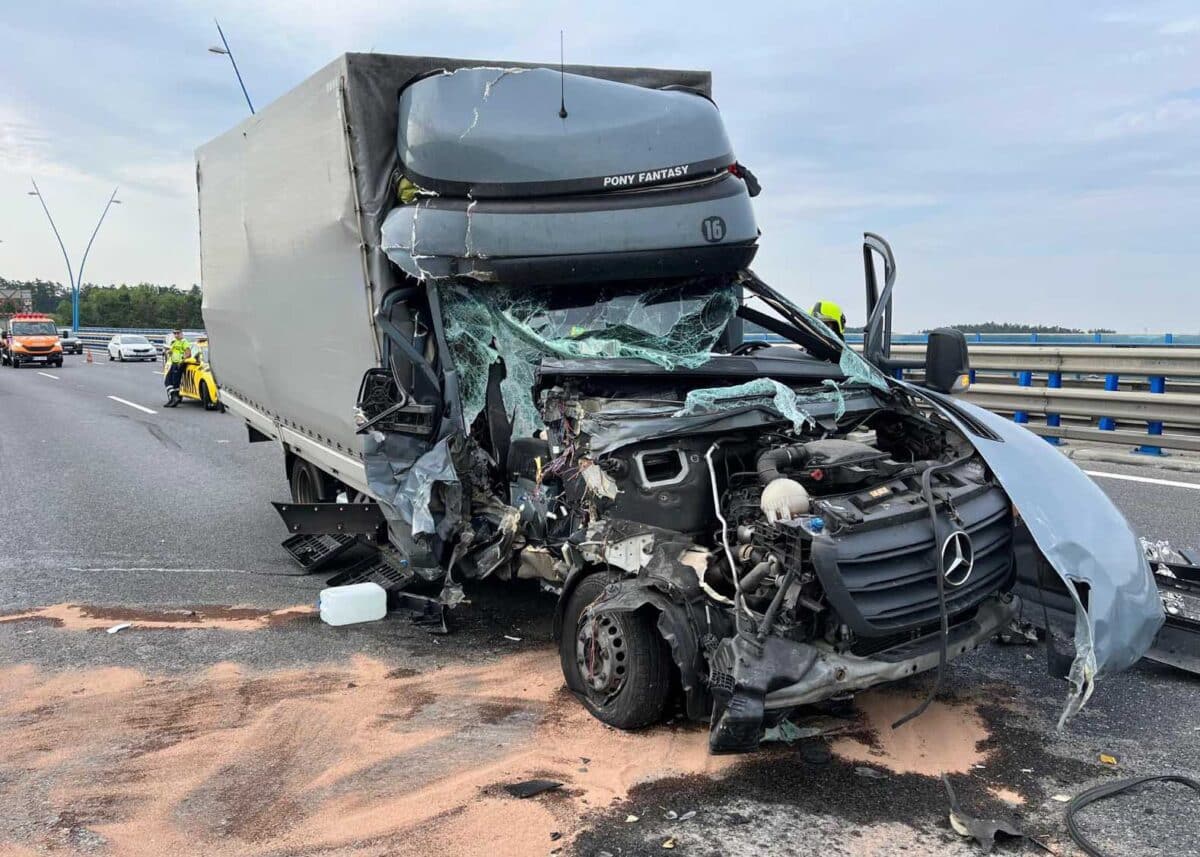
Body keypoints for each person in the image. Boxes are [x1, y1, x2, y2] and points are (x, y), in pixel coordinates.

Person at [163, 329, 192, 407]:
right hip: (174, 363)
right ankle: (173, 398)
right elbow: (172, 351)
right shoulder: (174, 342)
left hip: (179, 364)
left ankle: (175, 399)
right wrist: (168, 352)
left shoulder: (184, 342)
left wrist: (182, 359)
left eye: (178, 333)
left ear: (182, 333)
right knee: (167, 381)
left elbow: (188, 353)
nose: (176, 335)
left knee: (175, 382)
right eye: (174, 333)